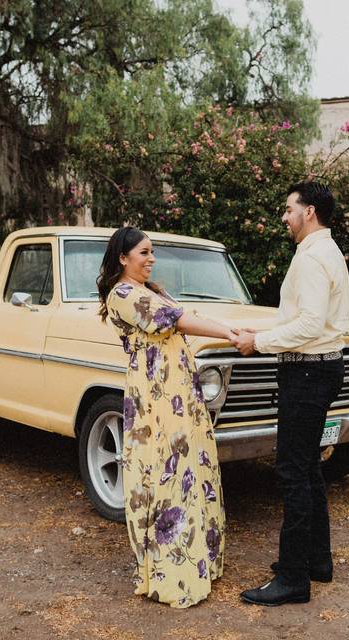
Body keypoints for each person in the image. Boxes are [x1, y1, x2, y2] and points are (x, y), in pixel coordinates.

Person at [98, 226, 236, 608]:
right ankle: (170, 570)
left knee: (191, 466)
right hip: (157, 394)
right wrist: (229, 332)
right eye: (144, 252)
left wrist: (230, 327)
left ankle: (198, 557)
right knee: (165, 470)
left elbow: (182, 313)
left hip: (178, 390)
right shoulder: (123, 294)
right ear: (123, 258)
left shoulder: (149, 290)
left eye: (152, 251)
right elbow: (177, 320)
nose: (151, 258)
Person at [234, 182, 349, 606]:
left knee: (292, 472)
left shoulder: (314, 257)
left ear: (310, 212)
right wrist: (261, 332)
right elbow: (302, 320)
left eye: (289, 209)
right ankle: (316, 560)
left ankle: (293, 578)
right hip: (317, 371)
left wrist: (257, 344)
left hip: (308, 375)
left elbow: (310, 326)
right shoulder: (324, 252)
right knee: (309, 469)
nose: (284, 217)